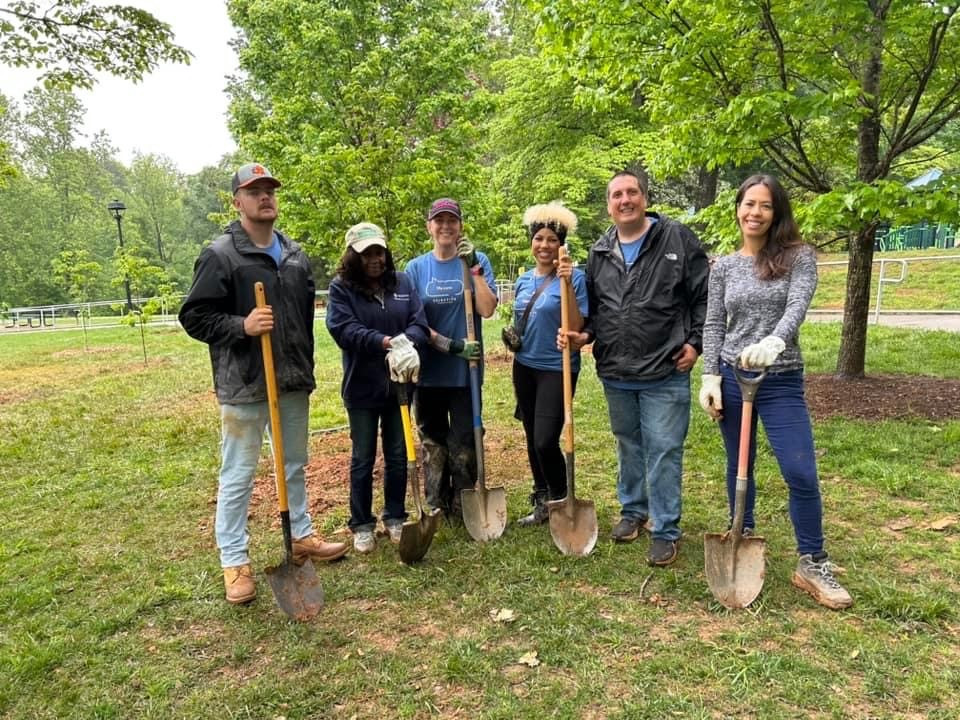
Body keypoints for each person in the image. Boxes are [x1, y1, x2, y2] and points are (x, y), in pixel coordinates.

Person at [179, 162, 348, 605]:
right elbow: (194, 317)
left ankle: (301, 536)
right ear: (238, 201)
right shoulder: (221, 255)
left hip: (291, 378)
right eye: (254, 191)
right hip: (246, 382)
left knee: (293, 463)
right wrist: (243, 325)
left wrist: (304, 364)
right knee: (238, 473)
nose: (265, 197)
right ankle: (234, 561)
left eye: (269, 189)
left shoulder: (293, 254)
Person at [698, 173, 853, 609]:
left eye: (765, 205)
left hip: (779, 378)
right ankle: (739, 536)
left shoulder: (798, 257)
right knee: (739, 465)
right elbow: (713, 324)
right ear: (738, 208)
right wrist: (710, 377)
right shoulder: (724, 266)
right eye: (749, 204)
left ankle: (812, 560)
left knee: (800, 469)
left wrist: (774, 342)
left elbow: (796, 307)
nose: (755, 212)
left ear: (776, 211)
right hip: (732, 376)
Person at [557, 170, 709, 566]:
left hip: (665, 368)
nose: (625, 200)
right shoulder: (600, 251)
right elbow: (594, 311)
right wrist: (583, 336)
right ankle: (634, 511)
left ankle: (665, 529)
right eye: (616, 195)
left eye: (631, 193)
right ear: (609, 205)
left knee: (663, 450)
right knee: (629, 444)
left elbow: (703, 297)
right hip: (617, 371)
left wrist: (696, 343)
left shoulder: (676, 238)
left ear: (644, 198)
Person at [326, 222, 429, 553]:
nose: (375, 259)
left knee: (399, 452)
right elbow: (344, 330)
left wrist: (407, 343)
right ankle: (362, 524)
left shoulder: (402, 283)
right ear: (353, 256)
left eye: (379, 252)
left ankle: (396, 516)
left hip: (400, 385)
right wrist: (386, 343)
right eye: (367, 253)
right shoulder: (342, 289)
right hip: (362, 387)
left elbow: (419, 322)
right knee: (363, 456)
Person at [405, 198, 498, 521]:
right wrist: (451, 345)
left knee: (464, 442)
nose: (446, 226)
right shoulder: (416, 269)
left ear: (460, 226)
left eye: (452, 220)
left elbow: (487, 309)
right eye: (439, 220)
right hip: (429, 371)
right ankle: (436, 501)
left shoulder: (475, 261)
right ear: (429, 226)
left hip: (465, 374)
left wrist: (475, 269)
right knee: (433, 442)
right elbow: (414, 321)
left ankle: (464, 500)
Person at [511, 202, 588, 525]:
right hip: (524, 366)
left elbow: (578, 324)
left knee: (545, 438)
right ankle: (541, 497)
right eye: (539, 238)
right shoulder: (523, 280)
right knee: (531, 435)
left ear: (561, 244)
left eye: (551, 240)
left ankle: (560, 497)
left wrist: (567, 282)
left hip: (557, 368)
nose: (544, 245)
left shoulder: (575, 277)